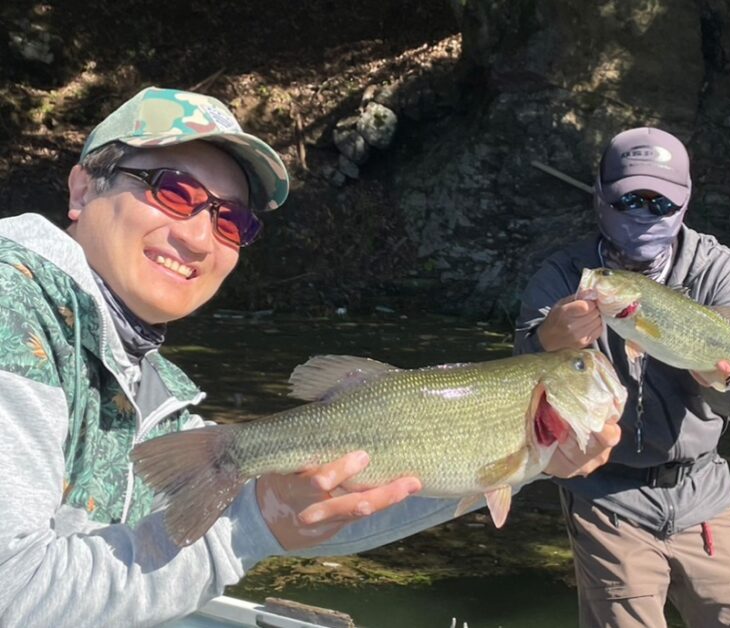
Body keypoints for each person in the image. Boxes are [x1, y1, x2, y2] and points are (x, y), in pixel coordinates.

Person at [0, 86, 621, 626]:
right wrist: (250, 529)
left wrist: (524, 459)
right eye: (172, 190)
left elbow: (306, 507)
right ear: (83, 187)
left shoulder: (152, 386)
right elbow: (12, 592)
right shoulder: (11, 302)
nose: (196, 234)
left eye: (230, 220)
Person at [515, 127, 730, 627]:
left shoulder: (717, 271)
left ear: (685, 202)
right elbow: (518, 394)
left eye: (660, 204)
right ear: (601, 196)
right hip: (607, 498)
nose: (644, 213)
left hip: (705, 497)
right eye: (630, 199)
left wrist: (721, 375)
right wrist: (546, 340)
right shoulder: (564, 276)